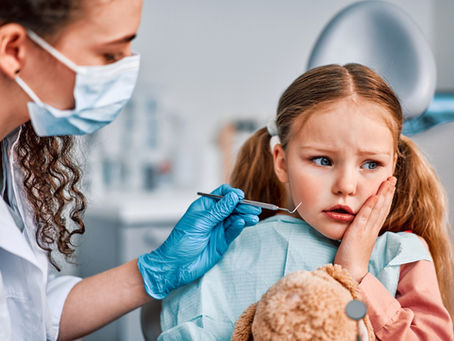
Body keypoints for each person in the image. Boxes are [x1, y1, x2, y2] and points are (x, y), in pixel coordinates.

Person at [0, 1, 261, 340]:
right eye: (109, 55)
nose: (124, 72)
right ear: (14, 49)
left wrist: (156, 271)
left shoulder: (15, 152)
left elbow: (27, 314)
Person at [159, 63, 454, 340]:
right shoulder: (232, 250)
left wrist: (356, 276)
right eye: (323, 160)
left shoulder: (401, 255)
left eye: (371, 164)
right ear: (282, 163)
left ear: (394, 168)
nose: (346, 186)